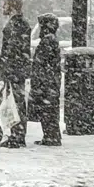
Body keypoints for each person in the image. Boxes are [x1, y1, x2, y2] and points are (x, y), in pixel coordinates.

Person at [0, 0, 31, 149]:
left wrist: (7, 69)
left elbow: (12, 50)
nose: (3, 7)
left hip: (14, 70)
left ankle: (17, 135)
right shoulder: (17, 24)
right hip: (15, 69)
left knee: (15, 103)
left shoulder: (17, 25)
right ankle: (16, 133)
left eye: (5, 5)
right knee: (14, 103)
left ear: (11, 6)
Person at [28, 14, 63, 147]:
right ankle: (51, 135)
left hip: (46, 82)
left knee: (47, 110)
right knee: (49, 109)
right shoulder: (51, 40)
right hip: (50, 81)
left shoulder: (47, 42)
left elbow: (42, 63)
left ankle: (51, 136)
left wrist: (38, 80)